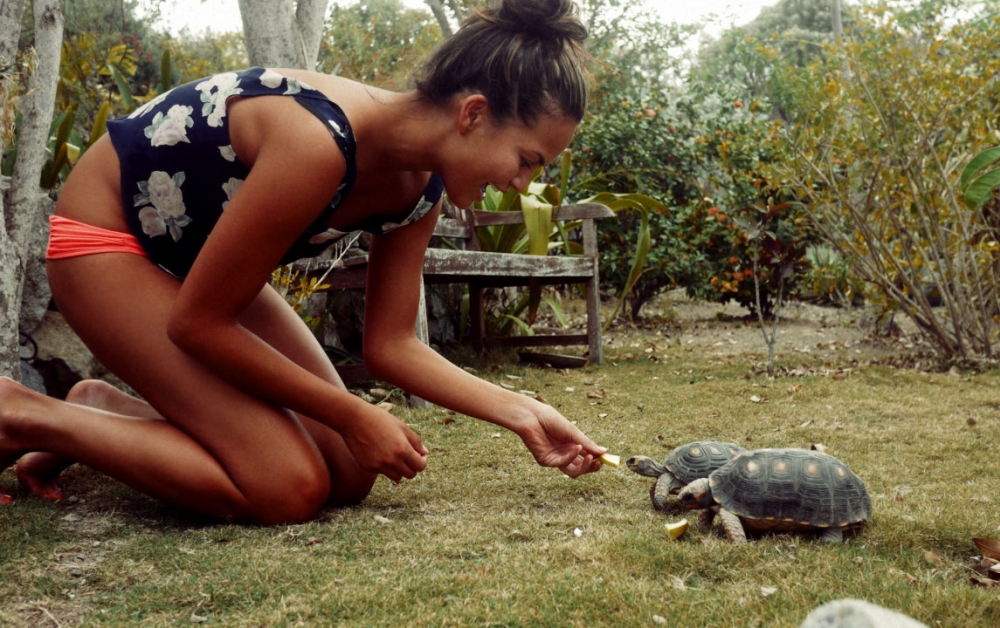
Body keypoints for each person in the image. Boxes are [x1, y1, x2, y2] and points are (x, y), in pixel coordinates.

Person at [0, 0, 607, 522]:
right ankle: (25, 412)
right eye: (527, 160)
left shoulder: (420, 193)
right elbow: (199, 325)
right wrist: (351, 410)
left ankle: (97, 409)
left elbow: (392, 345)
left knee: (348, 470)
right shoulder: (318, 141)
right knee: (288, 486)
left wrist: (528, 414)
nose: (522, 184)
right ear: (472, 114)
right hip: (109, 235)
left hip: (193, 263)